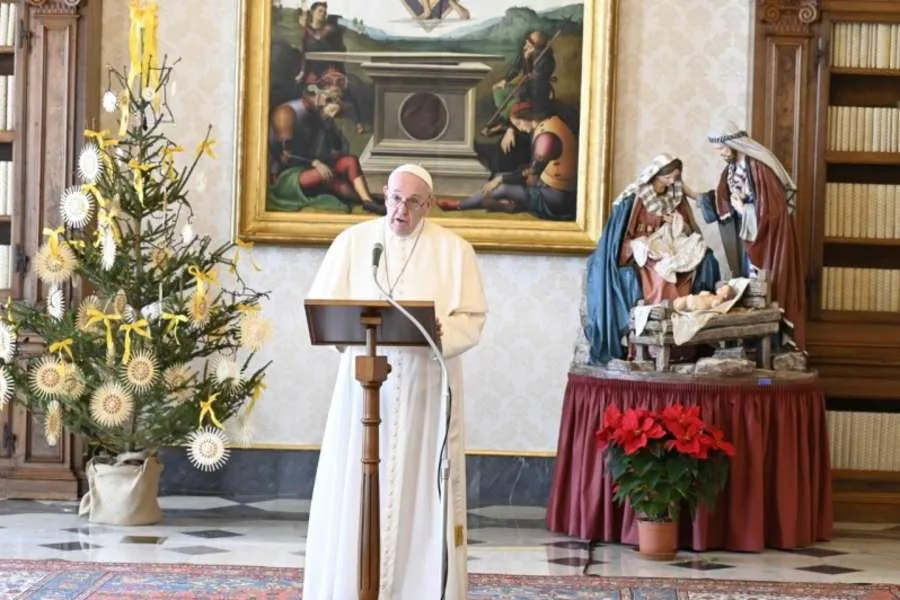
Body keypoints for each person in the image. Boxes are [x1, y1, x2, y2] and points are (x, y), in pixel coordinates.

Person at [303, 164, 488, 600]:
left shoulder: (454, 250)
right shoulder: (352, 243)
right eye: (394, 198)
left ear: (429, 204)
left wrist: (441, 331)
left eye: (412, 202)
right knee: (358, 483)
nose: (400, 210)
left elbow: (472, 319)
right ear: (384, 195)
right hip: (364, 389)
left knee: (418, 490)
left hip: (425, 387)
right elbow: (326, 310)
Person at [583, 154, 720, 364]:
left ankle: (691, 337)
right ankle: (659, 337)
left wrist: (677, 223)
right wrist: (641, 245)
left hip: (670, 244)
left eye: (676, 177)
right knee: (662, 273)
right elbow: (622, 239)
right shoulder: (636, 198)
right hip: (645, 251)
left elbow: (686, 229)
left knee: (705, 257)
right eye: (670, 177)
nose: (673, 182)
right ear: (658, 175)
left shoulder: (675, 196)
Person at [697, 123, 806, 351]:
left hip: (767, 241)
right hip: (747, 239)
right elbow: (725, 200)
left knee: (769, 286)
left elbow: (774, 211)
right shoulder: (731, 169)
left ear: (733, 143)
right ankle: (753, 343)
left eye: (722, 148)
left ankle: (774, 348)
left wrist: (744, 209)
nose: (721, 154)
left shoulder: (758, 168)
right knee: (749, 285)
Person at [438, 102, 577, 221]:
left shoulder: (546, 139)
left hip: (556, 198)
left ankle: (458, 205)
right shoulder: (550, 122)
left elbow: (533, 174)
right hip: (549, 187)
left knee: (502, 187)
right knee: (502, 178)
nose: (518, 128)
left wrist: (501, 179)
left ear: (527, 117)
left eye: (518, 123)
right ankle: (510, 203)